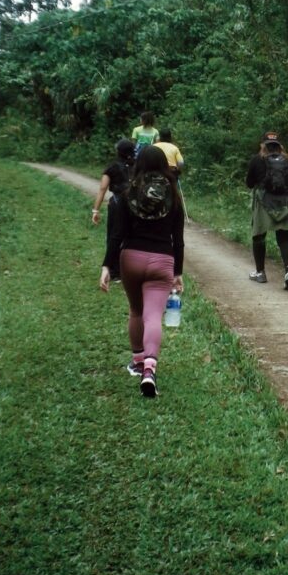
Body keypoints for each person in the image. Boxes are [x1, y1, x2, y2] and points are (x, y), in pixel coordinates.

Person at [99, 145, 184, 398]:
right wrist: (178, 272)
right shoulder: (174, 197)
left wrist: (106, 265)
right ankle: (149, 369)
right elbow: (178, 239)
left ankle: (137, 361)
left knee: (136, 311)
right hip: (163, 260)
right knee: (153, 317)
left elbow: (117, 234)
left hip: (131, 258)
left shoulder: (127, 194)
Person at [246, 131, 288, 291]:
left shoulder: (257, 160)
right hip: (286, 204)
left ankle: (260, 273)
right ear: (280, 146)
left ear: (263, 145)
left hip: (264, 203)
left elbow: (249, 183)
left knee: (259, 236)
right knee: (284, 239)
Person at [91, 139, 135, 280]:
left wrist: (95, 210)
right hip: (135, 204)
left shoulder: (112, 167)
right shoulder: (137, 166)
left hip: (117, 203)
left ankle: (115, 271)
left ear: (118, 151)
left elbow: (103, 188)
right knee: (132, 236)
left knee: (114, 236)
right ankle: (131, 269)